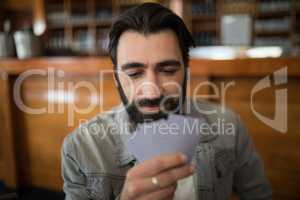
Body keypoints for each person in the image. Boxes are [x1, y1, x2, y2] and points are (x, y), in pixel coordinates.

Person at [61, 3, 272, 200]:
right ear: (116, 78)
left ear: (186, 72)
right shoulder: (80, 149)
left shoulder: (230, 127)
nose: (152, 91)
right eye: (134, 74)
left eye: (168, 71)